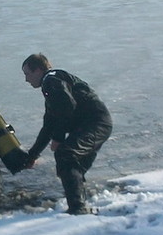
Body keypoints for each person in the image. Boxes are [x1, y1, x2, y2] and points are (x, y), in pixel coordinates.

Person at [22, 53, 113, 214]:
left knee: (65, 154)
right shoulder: (50, 87)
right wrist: (32, 155)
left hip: (95, 123)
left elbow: (67, 106)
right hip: (90, 125)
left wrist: (58, 138)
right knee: (72, 166)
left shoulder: (52, 79)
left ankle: (77, 210)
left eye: (27, 74)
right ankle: (80, 205)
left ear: (37, 70)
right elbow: (48, 126)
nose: (26, 80)